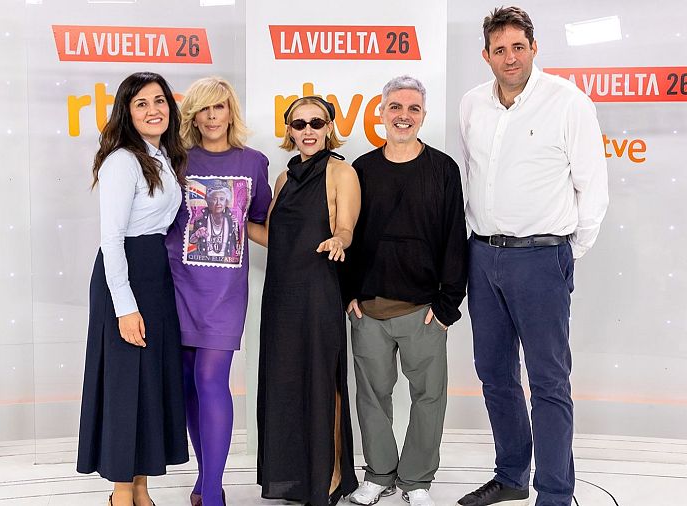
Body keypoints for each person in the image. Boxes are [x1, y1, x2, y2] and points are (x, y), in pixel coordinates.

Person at [458, 6, 609, 506]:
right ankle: (511, 476)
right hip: (483, 256)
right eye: (499, 49)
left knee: (548, 381)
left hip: (542, 257)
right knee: (494, 375)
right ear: (486, 55)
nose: (510, 58)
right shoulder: (472, 104)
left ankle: (555, 494)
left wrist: (565, 252)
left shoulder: (568, 102)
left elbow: (593, 186)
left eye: (518, 47)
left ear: (534, 48)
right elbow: (474, 176)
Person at [342, 75, 467, 506]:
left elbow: (455, 241)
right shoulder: (361, 170)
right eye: (395, 107)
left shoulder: (443, 170)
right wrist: (348, 295)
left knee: (428, 398)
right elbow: (346, 234)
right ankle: (378, 474)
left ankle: (416, 481)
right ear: (381, 113)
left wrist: (448, 306)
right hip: (369, 311)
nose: (404, 116)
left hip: (424, 311)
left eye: (413, 108)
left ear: (423, 116)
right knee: (372, 398)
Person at [77, 71, 189, 506]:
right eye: (141, 103)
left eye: (159, 100)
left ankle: (141, 489)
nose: (153, 110)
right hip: (125, 275)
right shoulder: (122, 160)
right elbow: (112, 239)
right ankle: (121, 494)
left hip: (156, 274)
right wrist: (125, 307)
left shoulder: (162, 157)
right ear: (126, 111)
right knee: (126, 384)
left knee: (148, 383)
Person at [165, 76, 272, 506]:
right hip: (177, 286)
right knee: (189, 384)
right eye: (203, 109)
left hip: (225, 292)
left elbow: (261, 223)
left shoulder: (254, 162)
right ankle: (204, 478)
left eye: (219, 107)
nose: (212, 116)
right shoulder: (175, 161)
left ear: (231, 112)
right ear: (193, 116)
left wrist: (308, 243)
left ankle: (212, 492)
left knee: (211, 379)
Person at [256, 96, 361, 506]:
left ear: (329, 126)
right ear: (290, 131)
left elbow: (346, 228)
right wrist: (230, 220)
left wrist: (339, 240)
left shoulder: (341, 172)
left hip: (318, 292)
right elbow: (272, 236)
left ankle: (331, 475)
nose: (308, 131)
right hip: (281, 295)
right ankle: (297, 478)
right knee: (286, 384)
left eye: (316, 122)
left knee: (323, 382)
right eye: (299, 124)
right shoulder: (284, 178)